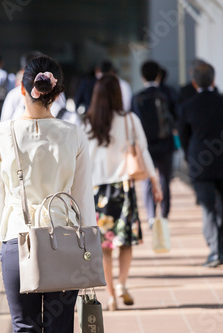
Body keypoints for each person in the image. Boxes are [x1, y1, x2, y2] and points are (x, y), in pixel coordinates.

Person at [0, 55, 96, 332]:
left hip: (16, 240)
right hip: (65, 239)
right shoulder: (73, 134)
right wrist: (89, 245)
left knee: (23, 326)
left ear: (22, 89)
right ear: (57, 94)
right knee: (61, 325)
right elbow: (82, 195)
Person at [83, 74, 162, 311]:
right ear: (118, 94)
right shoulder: (129, 119)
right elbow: (144, 152)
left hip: (97, 192)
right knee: (125, 242)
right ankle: (121, 284)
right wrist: (155, 182)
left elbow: (81, 159)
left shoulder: (87, 122)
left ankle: (109, 296)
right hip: (124, 189)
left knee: (105, 246)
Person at [179, 62, 223, 268]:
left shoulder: (187, 106)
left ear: (194, 82)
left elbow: (184, 137)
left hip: (200, 164)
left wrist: (190, 159)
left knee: (208, 209)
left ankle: (216, 250)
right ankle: (221, 245)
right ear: (214, 81)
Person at [132, 60, 178, 228]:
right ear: (158, 75)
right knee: (165, 179)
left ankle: (151, 216)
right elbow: (176, 117)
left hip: (145, 146)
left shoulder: (136, 97)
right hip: (166, 144)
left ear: (142, 76)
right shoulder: (168, 94)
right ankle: (164, 215)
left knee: (147, 180)